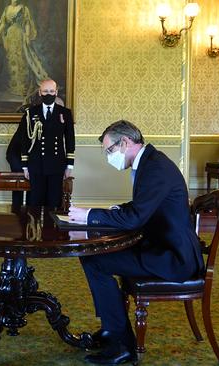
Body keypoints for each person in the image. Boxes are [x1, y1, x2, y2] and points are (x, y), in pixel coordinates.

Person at [68, 120, 203, 365]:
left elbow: (136, 218)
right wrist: (113, 210)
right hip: (163, 245)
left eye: (110, 151)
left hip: (173, 257)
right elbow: (143, 208)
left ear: (126, 142)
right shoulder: (151, 162)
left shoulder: (155, 168)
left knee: (95, 260)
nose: (109, 157)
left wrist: (89, 215)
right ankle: (112, 329)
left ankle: (121, 344)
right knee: (96, 256)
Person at [19, 78, 75, 207]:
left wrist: (69, 166)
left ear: (56, 92)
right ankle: (34, 227)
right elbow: (25, 140)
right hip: (36, 164)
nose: (48, 94)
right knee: (35, 202)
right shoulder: (30, 113)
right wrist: (25, 166)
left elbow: (70, 140)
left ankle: (52, 227)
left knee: (54, 202)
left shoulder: (65, 113)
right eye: (45, 91)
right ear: (40, 92)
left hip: (57, 164)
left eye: (51, 91)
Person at [0, 0, 49, 99]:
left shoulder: (24, 9)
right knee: (11, 61)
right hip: (9, 37)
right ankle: (14, 86)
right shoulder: (6, 9)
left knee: (21, 60)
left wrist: (26, 36)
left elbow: (27, 23)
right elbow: (3, 24)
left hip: (19, 36)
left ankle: (22, 87)